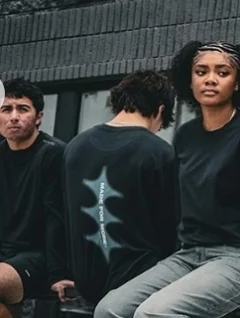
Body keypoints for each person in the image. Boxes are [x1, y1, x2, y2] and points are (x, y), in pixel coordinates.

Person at [94, 41, 240, 318]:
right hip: (189, 254)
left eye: (223, 73)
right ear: (190, 80)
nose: (210, 79)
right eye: (201, 71)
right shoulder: (186, 135)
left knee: (153, 313)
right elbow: (178, 206)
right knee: (109, 309)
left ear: (238, 83)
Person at [63, 70, 178, 304]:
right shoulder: (159, 153)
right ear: (160, 110)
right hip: (140, 286)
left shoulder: (75, 147)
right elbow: (172, 229)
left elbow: (65, 214)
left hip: (87, 283)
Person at [0, 79, 71, 318]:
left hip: (38, 256)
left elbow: (56, 218)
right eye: (6, 109)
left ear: (39, 117)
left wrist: (57, 274)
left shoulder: (53, 154)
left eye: (23, 109)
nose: (14, 117)